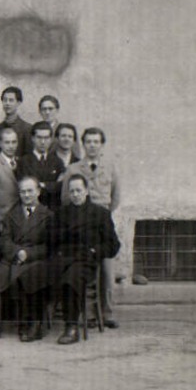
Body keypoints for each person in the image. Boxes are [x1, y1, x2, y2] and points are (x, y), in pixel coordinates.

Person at [60, 127, 120, 327]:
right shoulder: (74, 169)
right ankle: (90, 314)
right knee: (83, 265)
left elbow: (116, 196)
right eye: (88, 142)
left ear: (102, 145)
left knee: (107, 268)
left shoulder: (110, 167)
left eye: (96, 142)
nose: (92, 145)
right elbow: (66, 197)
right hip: (81, 222)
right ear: (83, 145)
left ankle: (107, 312)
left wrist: (104, 214)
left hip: (102, 220)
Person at [0, 177, 53, 342]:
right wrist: (16, 252)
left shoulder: (48, 215)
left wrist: (28, 254)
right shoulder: (12, 214)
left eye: (30, 191)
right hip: (12, 257)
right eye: (22, 191)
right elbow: (3, 239)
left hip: (35, 260)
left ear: (38, 192)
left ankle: (32, 323)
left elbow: (49, 245)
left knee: (30, 278)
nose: (26, 195)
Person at [49, 175, 120, 345]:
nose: (75, 194)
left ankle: (71, 327)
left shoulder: (100, 213)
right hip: (62, 259)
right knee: (37, 274)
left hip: (85, 261)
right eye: (72, 191)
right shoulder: (61, 214)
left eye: (78, 190)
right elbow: (51, 240)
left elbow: (113, 244)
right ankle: (35, 323)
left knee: (70, 279)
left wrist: (95, 251)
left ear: (86, 191)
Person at [18, 121, 66, 211]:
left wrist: (42, 185)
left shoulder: (57, 162)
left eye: (46, 138)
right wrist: (51, 185)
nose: (43, 142)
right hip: (32, 210)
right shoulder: (23, 161)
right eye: (39, 137)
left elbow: (61, 186)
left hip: (53, 210)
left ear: (51, 139)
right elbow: (26, 187)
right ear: (32, 138)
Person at [0, 86, 32, 156]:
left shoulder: (27, 129)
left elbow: (28, 157)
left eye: (11, 100)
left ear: (18, 103)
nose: (7, 103)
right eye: (5, 100)